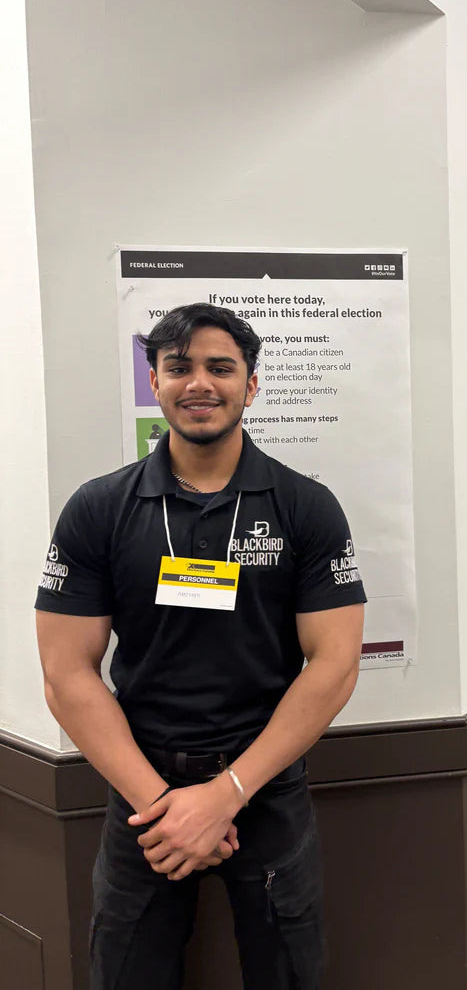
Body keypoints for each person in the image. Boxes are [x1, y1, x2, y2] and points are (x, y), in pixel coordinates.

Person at [35, 303, 366, 990]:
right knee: (126, 974)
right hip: (141, 786)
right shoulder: (99, 508)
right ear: (153, 383)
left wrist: (227, 792)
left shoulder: (305, 506)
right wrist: (164, 805)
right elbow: (66, 673)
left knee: (289, 974)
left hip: (266, 786)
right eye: (178, 367)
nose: (199, 383)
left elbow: (333, 665)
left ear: (251, 385)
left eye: (221, 368)